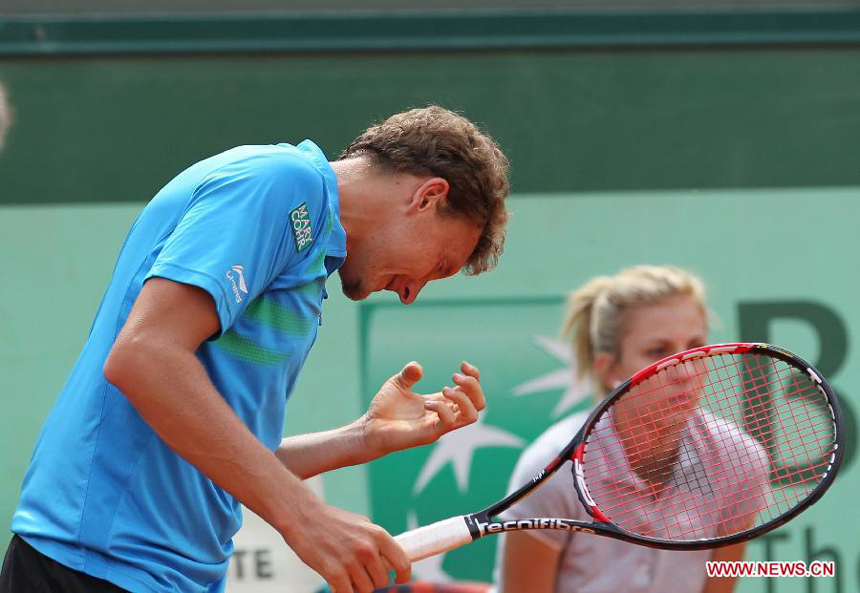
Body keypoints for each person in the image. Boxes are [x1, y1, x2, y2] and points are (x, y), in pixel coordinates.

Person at [1, 105, 510, 593]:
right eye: (439, 264)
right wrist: (306, 517)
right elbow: (144, 356)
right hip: (93, 569)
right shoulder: (280, 183)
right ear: (427, 197)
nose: (411, 292)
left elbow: (211, 459)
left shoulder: (310, 258)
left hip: (166, 577)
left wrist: (359, 439)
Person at [495, 265, 763, 593]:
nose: (685, 371)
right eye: (657, 352)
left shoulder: (741, 462)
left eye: (696, 348)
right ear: (609, 369)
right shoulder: (551, 468)